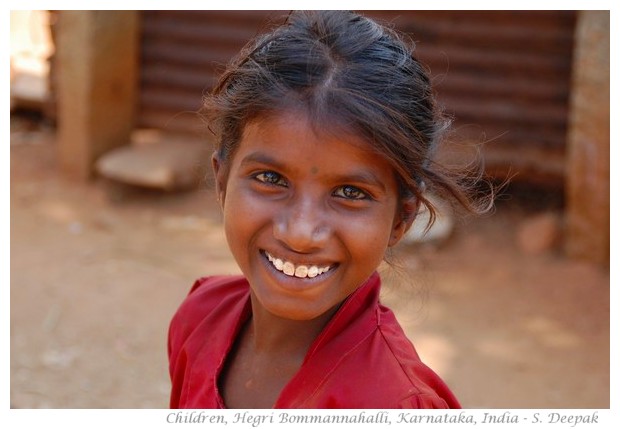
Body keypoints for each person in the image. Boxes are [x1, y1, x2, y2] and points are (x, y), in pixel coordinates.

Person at [168, 10, 489, 409]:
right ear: (222, 182)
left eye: (351, 192)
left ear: (401, 219)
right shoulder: (200, 317)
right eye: (270, 179)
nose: (300, 232)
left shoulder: (397, 404)